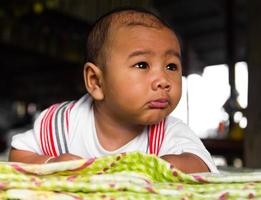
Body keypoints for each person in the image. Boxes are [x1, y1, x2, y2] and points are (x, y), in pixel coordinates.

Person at [9, 8, 218, 173]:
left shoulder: (169, 132)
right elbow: (19, 154)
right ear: (96, 82)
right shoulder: (61, 124)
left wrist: (159, 167)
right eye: (142, 65)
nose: (163, 80)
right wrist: (50, 163)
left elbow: (203, 166)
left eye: (171, 66)